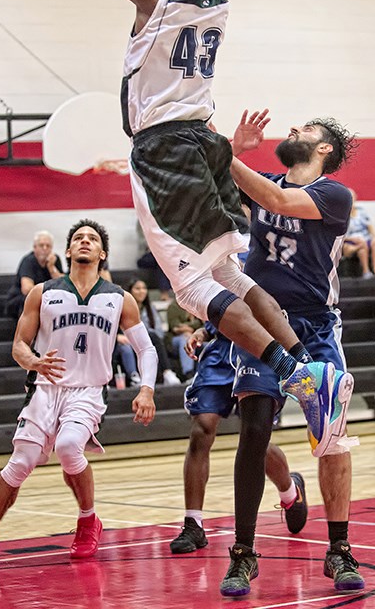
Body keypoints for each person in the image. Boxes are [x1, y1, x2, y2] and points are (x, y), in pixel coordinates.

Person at [54, 0, 353, 454]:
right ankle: (309, 363)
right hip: (205, 145)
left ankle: (294, 373)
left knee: (196, 290)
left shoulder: (151, 2)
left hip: (167, 154)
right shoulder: (214, 2)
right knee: (231, 276)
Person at [210, 112, 362, 596]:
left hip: (314, 325)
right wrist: (231, 148)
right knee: (253, 428)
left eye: (306, 131)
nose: (293, 131)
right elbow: (213, 188)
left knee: (331, 434)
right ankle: (243, 553)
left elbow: (274, 199)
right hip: (260, 323)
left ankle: (338, 550)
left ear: (324, 151)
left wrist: (229, 154)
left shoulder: (334, 195)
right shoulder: (264, 184)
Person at [0, 219, 157, 568]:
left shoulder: (120, 299)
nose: (85, 241)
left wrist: (146, 389)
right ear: (67, 251)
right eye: (78, 238)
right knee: (20, 464)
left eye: (93, 239)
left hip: (87, 390)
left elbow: (146, 349)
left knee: (69, 446)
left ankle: (88, 521)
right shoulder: (42, 292)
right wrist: (36, 362)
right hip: (44, 389)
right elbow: (19, 346)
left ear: (103, 253)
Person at [170, 320, 308, 555]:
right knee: (201, 429)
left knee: (255, 437)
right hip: (221, 351)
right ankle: (193, 523)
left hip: (259, 348)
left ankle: (290, 491)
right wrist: (205, 329)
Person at [128, 279, 181, 385]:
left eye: (144, 288)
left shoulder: (150, 308)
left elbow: (158, 329)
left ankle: (167, 373)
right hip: (131, 340)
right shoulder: (126, 308)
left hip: (150, 340)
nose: (141, 291)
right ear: (130, 291)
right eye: (137, 288)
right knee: (152, 336)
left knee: (155, 337)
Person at [5, 230, 64, 320]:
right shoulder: (28, 260)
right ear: (35, 247)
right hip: (19, 300)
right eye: (41, 245)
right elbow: (27, 289)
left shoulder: (55, 260)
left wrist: (51, 268)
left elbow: (64, 285)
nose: (44, 248)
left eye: (48, 246)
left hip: (45, 300)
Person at [166, 298, 203, 381]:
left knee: (208, 345)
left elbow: (203, 324)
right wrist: (193, 327)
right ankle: (188, 374)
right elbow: (175, 327)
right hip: (176, 339)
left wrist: (190, 328)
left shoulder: (198, 304)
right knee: (186, 339)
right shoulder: (174, 306)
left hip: (197, 336)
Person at [342, 189, 375, 279]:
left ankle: (372, 270)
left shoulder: (361, 211)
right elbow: (340, 234)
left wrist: (373, 237)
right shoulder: (342, 214)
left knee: (372, 243)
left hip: (364, 238)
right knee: (362, 249)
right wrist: (352, 240)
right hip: (351, 240)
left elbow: (370, 227)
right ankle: (366, 272)